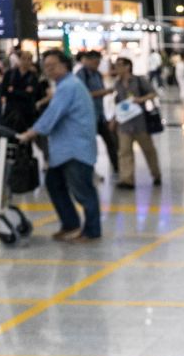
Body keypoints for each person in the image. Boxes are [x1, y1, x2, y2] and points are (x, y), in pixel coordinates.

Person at [17, 50, 100, 242]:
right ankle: (70, 224)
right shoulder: (65, 85)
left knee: (83, 191)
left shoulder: (69, 86)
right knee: (54, 184)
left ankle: (92, 231)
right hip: (65, 149)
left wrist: (31, 133)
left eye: (52, 66)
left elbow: (53, 114)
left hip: (75, 149)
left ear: (65, 65)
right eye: (46, 67)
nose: (49, 70)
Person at [112, 57, 162, 190]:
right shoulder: (117, 83)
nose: (117, 68)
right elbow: (118, 102)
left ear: (128, 67)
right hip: (124, 123)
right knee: (124, 152)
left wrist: (141, 99)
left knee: (148, 150)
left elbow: (153, 94)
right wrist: (114, 119)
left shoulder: (139, 80)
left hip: (141, 122)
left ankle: (156, 174)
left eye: (119, 65)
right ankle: (127, 179)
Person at [75, 50, 119, 175]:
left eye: (98, 63)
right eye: (94, 62)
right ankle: (89, 169)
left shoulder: (97, 74)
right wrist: (103, 92)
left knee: (111, 141)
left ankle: (117, 167)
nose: (97, 65)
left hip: (100, 115)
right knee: (89, 145)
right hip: (87, 117)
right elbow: (82, 95)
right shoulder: (81, 74)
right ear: (87, 60)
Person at [0, 51, 38, 131]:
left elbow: (31, 94)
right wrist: (23, 91)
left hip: (27, 111)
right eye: (24, 59)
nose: (26, 62)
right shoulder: (10, 74)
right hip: (11, 109)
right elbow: (4, 90)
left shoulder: (33, 76)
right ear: (19, 60)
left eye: (29, 59)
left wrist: (13, 91)